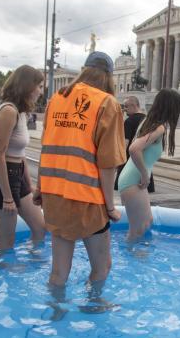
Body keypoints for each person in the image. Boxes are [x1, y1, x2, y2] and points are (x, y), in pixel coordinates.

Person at [36, 51, 126, 290]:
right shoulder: (107, 103)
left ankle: (55, 319)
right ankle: (94, 309)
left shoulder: (56, 98)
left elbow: (46, 147)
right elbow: (108, 164)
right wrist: (110, 207)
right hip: (87, 199)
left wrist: (39, 188)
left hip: (54, 195)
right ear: (108, 76)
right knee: (102, 266)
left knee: (58, 273)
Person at [0, 65, 46, 252]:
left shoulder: (20, 112)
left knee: (40, 229)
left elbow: (21, 156)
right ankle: (6, 276)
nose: (40, 91)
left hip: (17, 175)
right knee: (6, 245)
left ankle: (34, 268)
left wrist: (30, 185)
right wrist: (8, 197)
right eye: (39, 86)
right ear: (27, 86)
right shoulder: (8, 111)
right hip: (3, 181)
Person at [119, 89, 180, 240]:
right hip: (133, 180)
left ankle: (135, 257)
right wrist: (144, 174)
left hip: (131, 179)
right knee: (139, 229)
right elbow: (134, 149)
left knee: (145, 223)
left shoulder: (149, 122)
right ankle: (133, 260)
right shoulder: (158, 127)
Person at [115, 96, 154, 193]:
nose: (124, 109)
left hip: (129, 160)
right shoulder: (147, 120)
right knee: (146, 189)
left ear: (134, 105)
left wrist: (118, 159)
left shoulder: (129, 121)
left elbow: (126, 142)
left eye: (126, 106)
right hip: (144, 159)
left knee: (122, 187)